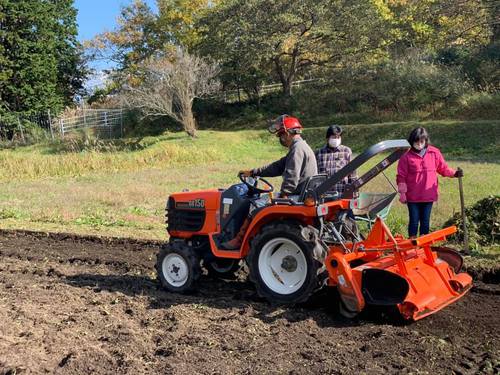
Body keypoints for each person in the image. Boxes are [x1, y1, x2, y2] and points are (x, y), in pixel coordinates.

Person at [221, 114, 317, 249]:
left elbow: (292, 176)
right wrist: (254, 172)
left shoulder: (297, 149)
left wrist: (284, 195)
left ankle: (238, 240)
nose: (281, 138)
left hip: (295, 195)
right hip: (301, 193)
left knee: (256, 204)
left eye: (281, 134)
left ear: (288, 133)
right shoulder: (301, 147)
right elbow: (277, 167)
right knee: (264, 199)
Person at [397, 127, 463, 238]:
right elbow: (401, 177)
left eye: (421, 142)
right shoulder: (406, 157)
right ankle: (411, 244)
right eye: (416, 142)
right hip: (413, 196)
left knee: (425, 221)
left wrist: (455, 173)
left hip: (428, 195)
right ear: (411, 141)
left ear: (426, 141)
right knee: (414, 220)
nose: (419, 144)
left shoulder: (434, 153)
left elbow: (443, 168)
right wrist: (402, 193)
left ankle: (424, 244)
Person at [315, 125, 357, 194]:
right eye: (334, 137)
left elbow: (352, 174)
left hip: (342, 193)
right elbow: (315, 175)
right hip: (324, 195)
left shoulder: (346, 151)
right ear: (328, 138)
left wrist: (353, 190)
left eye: (338, 137)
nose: (336, 139)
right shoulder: (319, 153)